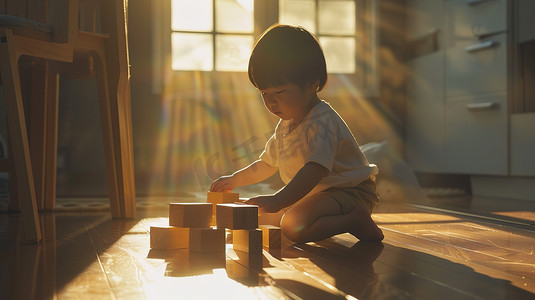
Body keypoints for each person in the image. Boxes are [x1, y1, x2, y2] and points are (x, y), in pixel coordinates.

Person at [210, 24, 384, 244]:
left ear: (313, 84)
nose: (271, 102)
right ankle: (336, 218)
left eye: (279, 92)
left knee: (292, 224)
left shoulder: (322, 121)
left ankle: (354, 220)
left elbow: (315, 170)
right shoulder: (286, 125)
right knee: (265, 215)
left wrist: (279, 198)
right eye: (264, 93)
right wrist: (235, 179)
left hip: (350, 192)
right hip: (319, 195)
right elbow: (266, 163)